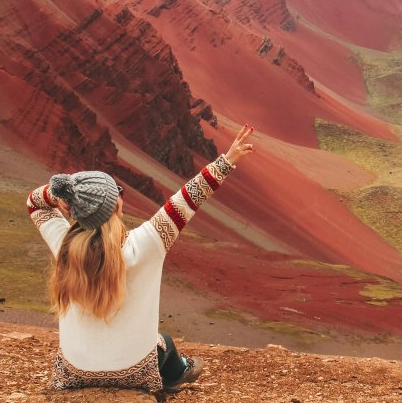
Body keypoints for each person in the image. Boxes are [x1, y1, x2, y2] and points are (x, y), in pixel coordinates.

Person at [26, 123, 255, 392]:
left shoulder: (63, 247)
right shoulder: (146, 243)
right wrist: (226, 162)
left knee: (155, 343)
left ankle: (174, 370)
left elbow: (34, 203)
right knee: (164, 342)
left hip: (75, 372)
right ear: (116, 207)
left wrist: (59, 195)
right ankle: (179, 370)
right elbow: (188, 199)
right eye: (118, 193)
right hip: (134, 374)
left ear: (73, 209)